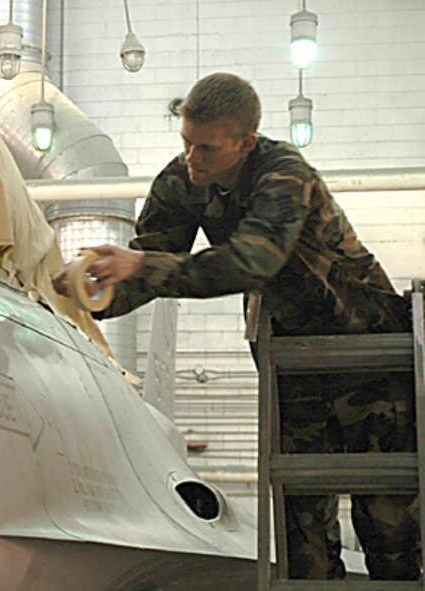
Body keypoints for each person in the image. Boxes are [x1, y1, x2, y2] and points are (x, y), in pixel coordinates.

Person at [53, 72, 419, 580]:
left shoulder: (284, 173)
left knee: (390, 530)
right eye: (185, 143)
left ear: (246, 142)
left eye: (206, 148)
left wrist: (138, 266)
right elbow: (151, 260)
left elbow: (250, 262)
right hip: (294, 363)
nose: (192, 159)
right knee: (302, 534)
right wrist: (86, 296)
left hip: (368, 351)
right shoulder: (182, 182)